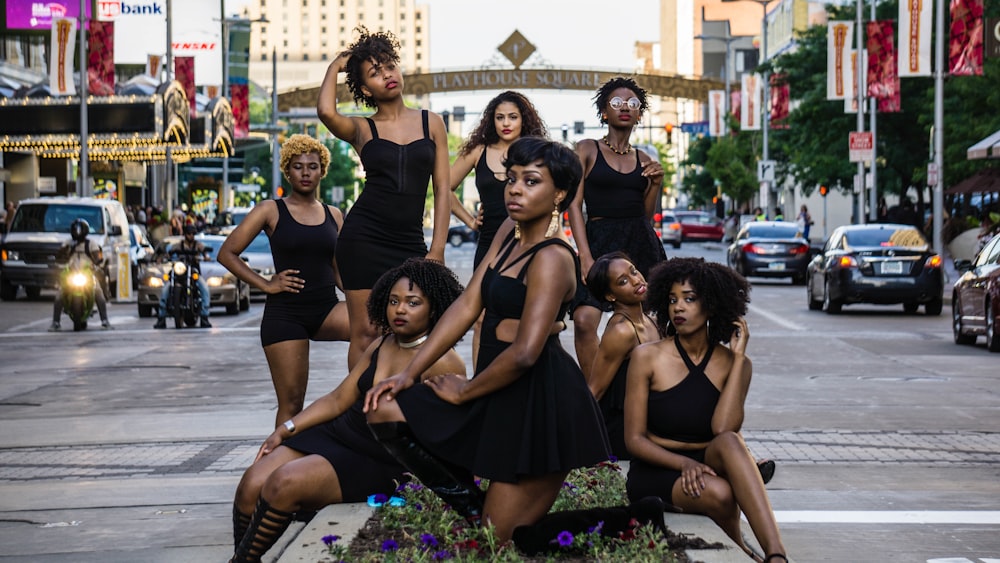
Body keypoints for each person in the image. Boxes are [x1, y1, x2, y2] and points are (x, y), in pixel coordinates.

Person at [364, 137, 668, 549]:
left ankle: (630, 517)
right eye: (512, 179)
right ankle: (478, 511)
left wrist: (465, 391)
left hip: (541, 401)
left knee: (503, 539)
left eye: (531, 181)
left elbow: (526, 352)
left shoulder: (553, 258)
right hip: (498, 388)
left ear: (559, 193)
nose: (515, 189)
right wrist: (409, 373)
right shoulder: (508, 231)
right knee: (385, 410)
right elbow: (468, 304)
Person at [228, 258, 466, 563]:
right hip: (341, 432)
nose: (400, 310)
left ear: (435, 309)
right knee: (251, 483)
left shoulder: (445, 361)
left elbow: (450, 431)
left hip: (379, 458)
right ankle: (245, 557)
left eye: (413, 302)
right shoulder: (382, 344)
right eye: (394, 301)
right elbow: (338, 399)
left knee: (282, 483)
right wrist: (285, 429)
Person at [624, 257, 787, 562]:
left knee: (730, 442)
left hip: (711, 458)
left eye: (689, 299)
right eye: (672, 300)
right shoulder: (646, 358)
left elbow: (723, 429)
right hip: (657, 469)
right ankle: (744, 549)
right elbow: (634, 440)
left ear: (711, 305)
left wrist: (738, 359)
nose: (678, 308)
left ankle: (776, 555)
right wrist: (683, 464)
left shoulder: (735, 364)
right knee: (723, 494)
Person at [317, 27, 451, 371]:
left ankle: (403, 404)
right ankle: (359, 412)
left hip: (408, 240)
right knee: (365, 333)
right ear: (364, 89)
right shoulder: (363, 128)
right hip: (363, 239)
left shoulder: (431, 122)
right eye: (375, 73)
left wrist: (436, 249)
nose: (387, 75)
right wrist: (336, 65)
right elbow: (326, 113)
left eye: (389, 66)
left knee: (413, 328)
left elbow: (442, 191)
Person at [218, 134, 350, 427]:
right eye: (298, 166)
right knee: (292, 404)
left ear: (322, 171)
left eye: (312, 166)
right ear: (287, 171)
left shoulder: (334, 215)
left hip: (327, 309)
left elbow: (339, 271)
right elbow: (227, 253)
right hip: (286, 315)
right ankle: (272, 466)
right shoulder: (270, 210)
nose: (305, 172)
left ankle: (367, 400)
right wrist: (266, 284)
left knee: (375, 326)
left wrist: (367, 299)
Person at [567, 76, 667, 381]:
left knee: (655, 321)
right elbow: (573, 204)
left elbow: (646, 216)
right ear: (604, 113)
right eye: (617, 103)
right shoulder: (585, 149)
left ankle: (648, 384)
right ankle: (596, 391)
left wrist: (656, 184)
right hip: (598, 239)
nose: (626, 108)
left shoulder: (646, 159)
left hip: (639, 242)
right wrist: (584, 256)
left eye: (633, 104)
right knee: (585, 319)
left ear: (639, 114)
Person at [448, 90, 547, 367]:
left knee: (525, 316)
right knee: (480, 318)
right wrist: (469, 221)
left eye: (512, 117)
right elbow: (444, 188)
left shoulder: (536, 152)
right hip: (490, 242)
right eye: (499, 117)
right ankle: (480, 382)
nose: (506, 123)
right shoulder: (478, 151)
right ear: (491, 121)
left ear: (523, 120)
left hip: (529, 243)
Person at [585, 251, 660, 461]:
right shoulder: (621, 331)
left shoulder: (651, 320)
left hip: (650, 417)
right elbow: (595, 390)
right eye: (623, 281)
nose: (636, 281)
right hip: (624, 428)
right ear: (610, 296)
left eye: (634, 272)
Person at [48, 218, 112, 331]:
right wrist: (63, 251)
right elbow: (59, 255)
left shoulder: (91, 243)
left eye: (80, 231)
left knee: (98, 293)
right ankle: (55, 322)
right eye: (75, 231)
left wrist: (97, 262)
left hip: (87, 273)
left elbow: (97, 256)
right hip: (71, 274)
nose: (78, 233)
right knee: (59, 295)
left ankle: (105, 321)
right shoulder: (68, 242)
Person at [153, 224, 212, 329]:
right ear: (185, 234)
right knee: (165, 289)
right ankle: (161, 318)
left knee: (204, 288)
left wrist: (206, 256)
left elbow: (204, 251)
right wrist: (163, 257)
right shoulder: (178, 245)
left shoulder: (197, 245)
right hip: (179, 272)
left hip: (193, 272)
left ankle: (204, 316)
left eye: (193, 234)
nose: (191, 236)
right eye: (189, 234)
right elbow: (169, 253)